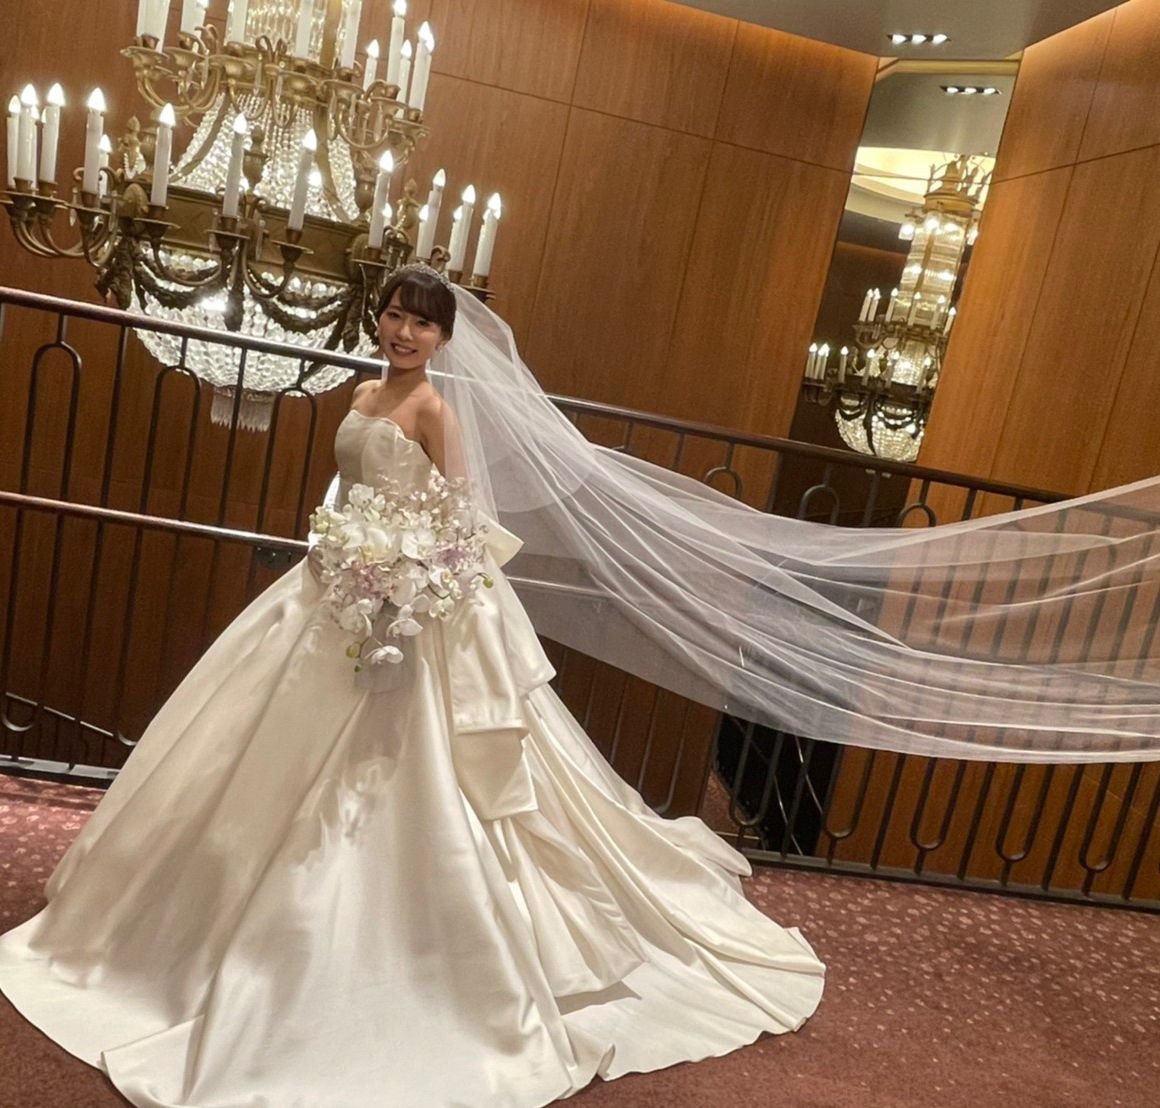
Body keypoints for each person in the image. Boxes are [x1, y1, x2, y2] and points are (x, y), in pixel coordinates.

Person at [0, 263, 827, 1108]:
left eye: (423, 323)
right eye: (395, 315)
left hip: (404, 605)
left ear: (444, 338)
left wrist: (404, 574)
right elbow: (352, 489)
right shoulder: (362, 394)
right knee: (248, 752)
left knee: (407, 772)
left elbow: (460, 516)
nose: (404, 332)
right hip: (332, 591)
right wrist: (348, 551)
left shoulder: (435, 408)